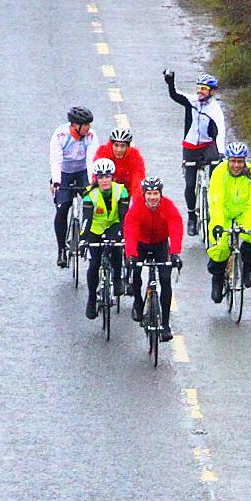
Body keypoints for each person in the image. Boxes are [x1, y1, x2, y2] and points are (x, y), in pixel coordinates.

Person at [165, 70, 225, 237]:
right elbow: (175, 95)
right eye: (198, 88)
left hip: (208, 146)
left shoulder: (215, 110)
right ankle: (192, 217)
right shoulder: (192, 101)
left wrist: (221, 153)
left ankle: (214, 213)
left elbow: (221, 132)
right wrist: (170, 82)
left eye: (204, 88)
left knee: (215, 180)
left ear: (212, 91)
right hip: (190, 147)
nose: (200, 91)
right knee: (190, 184)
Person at [123, 175, 184, 339]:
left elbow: (176, 227)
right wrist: (131, 255)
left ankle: (165, 323)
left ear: (160, 194)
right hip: (140, 244)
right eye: (149, 194)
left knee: (165, 280)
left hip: (160, 244)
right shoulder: (136, 208)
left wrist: (175, 253)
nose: (152, 197)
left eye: (156, 193)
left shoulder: (168, 206)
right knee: (135, 273)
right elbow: (130, 231)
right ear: (144, 194)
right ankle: (137, 301)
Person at [207, 141, 251, 302]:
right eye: (233, 161)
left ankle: (248, 268)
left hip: (244, 210)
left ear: (245, 161)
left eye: (240, 161)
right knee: (219, 245)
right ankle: (217, 278)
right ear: (228, 160)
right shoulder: (219, 173)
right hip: (224, 211)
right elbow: (215, 200)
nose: (236, 165)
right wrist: (218, 224)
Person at [77, 158, 130, 319]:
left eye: (107, 176)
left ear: (112, 177)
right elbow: (86, 220)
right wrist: (82, 239)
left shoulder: (121, 191)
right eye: (101, 176)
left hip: (114, 225)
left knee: (116, 248)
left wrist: (125, 237)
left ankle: (117, 278)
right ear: (96, 178)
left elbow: (124, 217)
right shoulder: (90, 195)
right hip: (95, 229)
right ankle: (92, 298)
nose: (104, 180)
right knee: (94, 264)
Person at [47, 105, 95, 267]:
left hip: (83, 171)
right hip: (64, 173)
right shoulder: (60, 136)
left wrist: (91, 184)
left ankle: (88, 240)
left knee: (92, 203)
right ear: (75, 125)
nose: (89, 128)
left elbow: (91, 160)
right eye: (86, 124)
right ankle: (61, 249)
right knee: (62, 208)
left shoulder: (91, 136)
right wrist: (56, 181)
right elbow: (56, 160)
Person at [93, 123, 147, 201]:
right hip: (106, 190)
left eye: (123, 146)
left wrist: (135, 201)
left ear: (128, 146)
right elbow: (96, 175)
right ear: (111, 144)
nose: (119, 150)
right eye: (116, 145)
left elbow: (138, 179)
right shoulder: (103, 152)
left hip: (127, 192)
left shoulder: (134, 155)